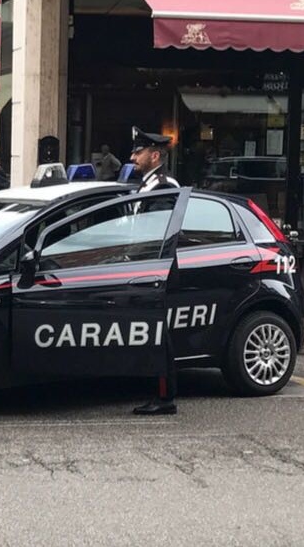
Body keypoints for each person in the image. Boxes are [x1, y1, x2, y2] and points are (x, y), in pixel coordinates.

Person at [129, 126, 180, 416]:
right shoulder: (147, 184)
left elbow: (156, 233)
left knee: (160, 335)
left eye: (139, 152)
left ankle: (164, 396)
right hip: (145, 267)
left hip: (157, 270)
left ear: (155, 155)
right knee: (150, 333)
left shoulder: (163, 186)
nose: (133, 157)